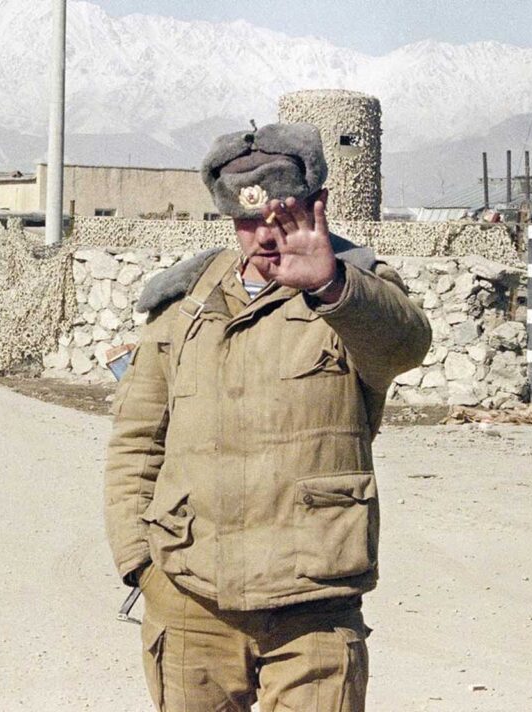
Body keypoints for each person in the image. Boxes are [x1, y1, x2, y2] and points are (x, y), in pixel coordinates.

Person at [103, 122, 432, 712]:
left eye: (283, 216)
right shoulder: (185, 305)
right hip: (190, 599)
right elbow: (137, 440)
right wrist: (140, 565)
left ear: (316, 207)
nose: (265, 235)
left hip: (312, 608)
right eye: (247, 221)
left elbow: (405, 346)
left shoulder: (355, 294)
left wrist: (330, 285)